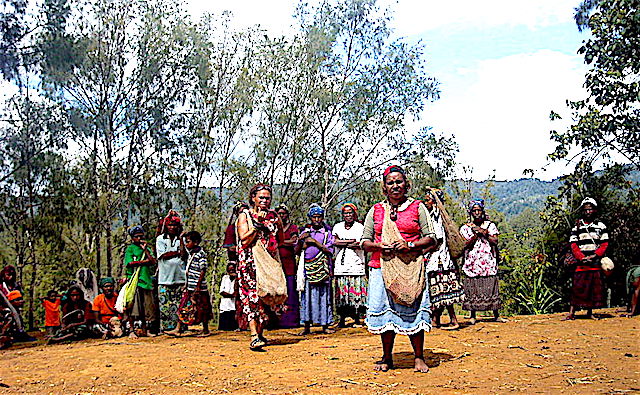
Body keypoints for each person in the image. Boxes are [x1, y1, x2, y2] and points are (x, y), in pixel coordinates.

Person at [362, 165, 437, 373]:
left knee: (413, 311)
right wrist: (380, 246)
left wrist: (410, 245)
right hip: (381, 268)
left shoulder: (418, 207)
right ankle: (387, 357)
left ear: (407, 185)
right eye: (390, 183)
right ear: (384, 188)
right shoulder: (376, 210)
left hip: (411, 268)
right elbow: (365, 242)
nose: (395, 186)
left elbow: (431, 238)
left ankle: (419, 357)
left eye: (399, 181)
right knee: (386, 317)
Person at [236, 183, 285, 350]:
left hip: (269, 261)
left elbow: (281, 239)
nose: (264, 200)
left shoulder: (274, 216)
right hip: (249, 261)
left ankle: (260, 332)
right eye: (261, 197)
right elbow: (244, 240)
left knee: (268, 295)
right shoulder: (245, 216)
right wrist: (258, 226)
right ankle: (253, 335)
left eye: (267, 198)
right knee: (251, 296)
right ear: (253, 198)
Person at [424, 189, 465, 330]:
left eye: (428, 199)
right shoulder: (433, 215)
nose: (426, 202)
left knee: (444, 289)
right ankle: (436, 319)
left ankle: (453, 320)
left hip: (440, 258)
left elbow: (437, 240)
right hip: (438, 258)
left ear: (434, 201)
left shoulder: (436, 217)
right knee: (439, 290)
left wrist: (423, 251)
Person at [459, 199, 505, 325]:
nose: (477, 213)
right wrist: (475, 235)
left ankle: (496, 314)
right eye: (474, 211)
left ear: (483, 211)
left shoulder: (490, 226)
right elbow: (464, 245)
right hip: (472, 263)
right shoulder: (465, 228)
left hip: (488, 262)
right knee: (473, 288)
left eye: (479, 210)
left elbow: (495, 241)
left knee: (491, 287)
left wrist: (484, 233)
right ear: (471, 213)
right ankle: (472, 315)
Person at [566, 197, 609, 320]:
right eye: (586, 210)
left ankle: (589, 313)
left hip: (594, 260)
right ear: (582, 211)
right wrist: (581, 257)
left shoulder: (601, 226)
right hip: (581, 262)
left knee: (593, 287)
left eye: (590, 209)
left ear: (594, 211)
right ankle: (571, 313)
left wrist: (595, 255)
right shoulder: (577, 226)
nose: (588, 212)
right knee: (577, 286)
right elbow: (573, 243)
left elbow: (604, 243)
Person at [298, 205, 335, 335]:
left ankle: (325, 325)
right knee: (307, 297)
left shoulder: (327, 233)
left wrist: (314, 242)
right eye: (314, 217)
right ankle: (306, 326)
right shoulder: (305, 232)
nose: (317, 219)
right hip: (308, 268)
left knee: (324, 296)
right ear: (310, 218)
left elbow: (329, 250)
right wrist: (303, 241)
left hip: (323, 268)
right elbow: (297, 250)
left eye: (319, 217)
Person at [332, 202, 367, 328]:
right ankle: (342, 319)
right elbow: (334, 241)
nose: (348, 215)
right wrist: (349, 242)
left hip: (356, 263)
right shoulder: (338, 226)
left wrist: (343, 242)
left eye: (350, 212)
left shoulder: (360, 227)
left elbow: (360, 244)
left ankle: (357, 318)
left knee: (356, 292)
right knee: (342, 293)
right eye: (345, 213)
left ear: (354, 214)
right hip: (341, 265)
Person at [174, 230, 213, 337]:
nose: (186, 244)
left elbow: (203, 270)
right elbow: (183, 250)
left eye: (188, 241)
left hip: (198, 287)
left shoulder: (201, 254)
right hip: (190, 286)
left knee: (202, 308)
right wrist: (181, 238)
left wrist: (198, 286)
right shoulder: (191, 253)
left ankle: (205, 329)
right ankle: (178, 328)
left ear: (195, 242)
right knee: (183, 306)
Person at [124, 225, 157, 338]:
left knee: (146, 307)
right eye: (137, 237)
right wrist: (144, 262)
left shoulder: (146, 248)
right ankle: (132, 330)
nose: (139, 238)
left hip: (146, 281)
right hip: (134, 281)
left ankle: (145, 329)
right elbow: (129, 263)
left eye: (141, 236)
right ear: (132, 238)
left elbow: (152, 261)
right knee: (133, 307)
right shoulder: (130, 249)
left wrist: (145, 251)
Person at [156, 211, 186, 333]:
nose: (173, 227)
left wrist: (181, 241)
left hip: (181, 277)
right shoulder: (160, 239)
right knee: (165, 306)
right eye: (170, 225)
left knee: (181, 305)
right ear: (166, 226)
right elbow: (163, 255)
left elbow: (184, 255)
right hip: (164, 278)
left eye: (175, 225)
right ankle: (167, 329)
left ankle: (181, 327)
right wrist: (177, 252)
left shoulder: (183, 239)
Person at [276, 204, 300, 328]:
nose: (281, 216)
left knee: (290, 292)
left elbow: (294, 241)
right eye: (279, 214)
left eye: (283, 213)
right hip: (275, 265)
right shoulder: (273, 228)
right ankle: (276, 321)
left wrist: (280, 243)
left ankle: (291, 321)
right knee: (277, 292)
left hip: (289, 265)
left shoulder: (292, 228)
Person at [218, 263, 238, 331]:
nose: (231, 272)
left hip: (233, 307)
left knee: (233, 328)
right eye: (230, 270)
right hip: (225, 306)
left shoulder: (238, 279)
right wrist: (231, 295)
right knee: (223, 328)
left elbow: (237, 292)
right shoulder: (225, 278)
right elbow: (222, 291)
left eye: (233, 270)